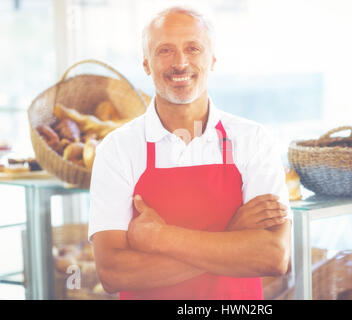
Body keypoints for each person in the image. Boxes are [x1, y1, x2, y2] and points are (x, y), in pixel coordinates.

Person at [88, 6, 293, 300]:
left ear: (212, 60)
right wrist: (231, 235)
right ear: (146, 64)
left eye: (193, 48)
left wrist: (162, 238)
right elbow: (113, 273)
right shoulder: (118, 149)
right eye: (165, 51)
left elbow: (273, 257)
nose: (180, 63)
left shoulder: (253, 140)